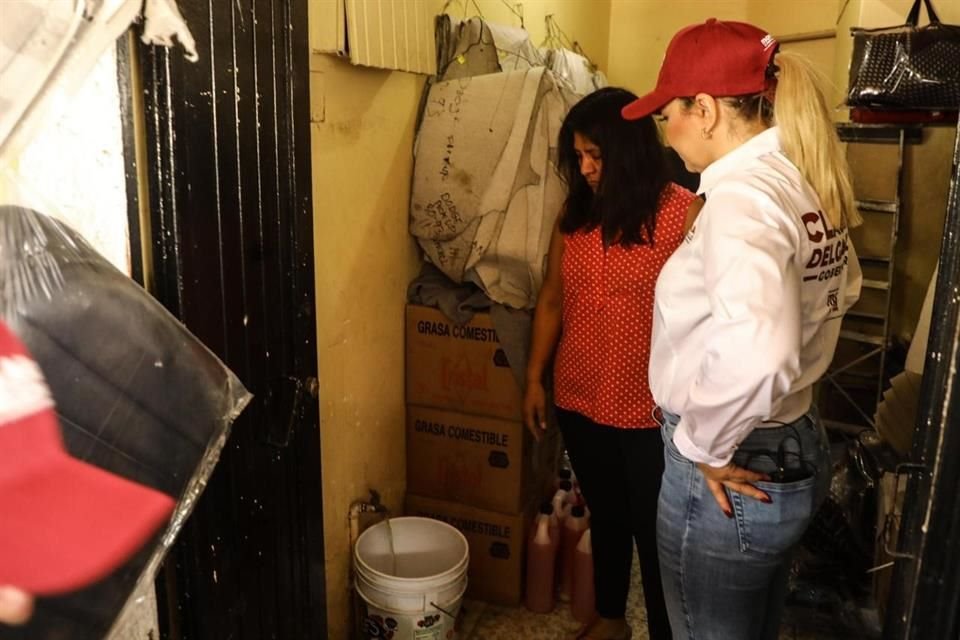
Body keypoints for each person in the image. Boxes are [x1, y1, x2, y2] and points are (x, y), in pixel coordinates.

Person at [620, 18, 863, 640]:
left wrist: (701, 445)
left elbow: (760, 351)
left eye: (667, 114)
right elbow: (845, 287)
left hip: (733, 460)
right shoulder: (795, 178)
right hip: (789, 434)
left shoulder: (742, 200)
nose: (667, 135)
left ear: (703, 109)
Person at [524, 86, 702, 640]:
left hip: (651, 408)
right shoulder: (574, 216)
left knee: (656, 532)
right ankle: (610, 618)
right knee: (607, 514)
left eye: (595, 156)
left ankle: (664, 633)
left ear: (627, 150)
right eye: (578, 158)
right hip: (579, 395)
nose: (586, 169)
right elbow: (553, 298)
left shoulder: (681, 212)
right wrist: (534, 378)